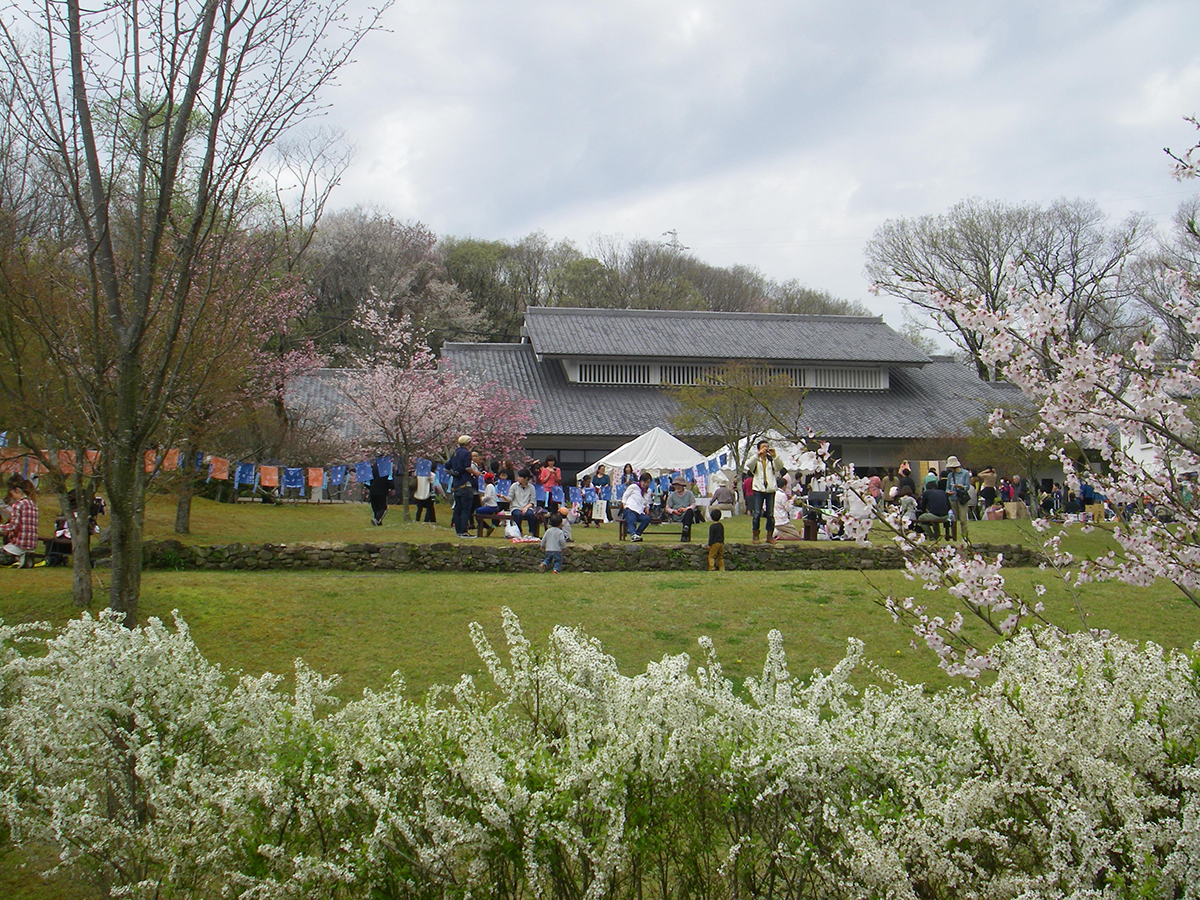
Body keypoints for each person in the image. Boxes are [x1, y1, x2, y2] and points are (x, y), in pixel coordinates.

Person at [747, 440, 786, 543]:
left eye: (767, 447)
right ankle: (755, 536)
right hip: (758, 489)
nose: (765, 449)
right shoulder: (756, 461)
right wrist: (758, 455)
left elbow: (780, 467)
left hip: (770, 489)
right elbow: (749, 464)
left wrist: (774, 456)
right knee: (757, 513)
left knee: (770, 514)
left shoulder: (771, 461)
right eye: (763, 447)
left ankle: (769, 536)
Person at [0, 477, 38, 566]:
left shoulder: (18, 505)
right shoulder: (32, 504)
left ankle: (17, 558)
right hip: (31, 544)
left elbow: (13, 526)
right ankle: (23, 557)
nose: (12, 497)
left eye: (12, 494)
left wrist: (1, 527)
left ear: (17, 490)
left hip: (19, 544)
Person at [447, 435, 480, 539]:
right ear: (468, 443)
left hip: (456, 483)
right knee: (466, 509)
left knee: (458, 508)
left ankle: (458, 531)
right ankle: (463, 531)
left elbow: (447, 465)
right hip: (465, 483)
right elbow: (467, 467)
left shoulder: (455, 452)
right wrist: (476, 473)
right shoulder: (466, 453)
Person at [944, 455, 972, 541]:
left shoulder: (965, 473)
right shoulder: (950, 475)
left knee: (963, 519)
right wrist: (948, 492)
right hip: (952, 498)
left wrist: (961, 487)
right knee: (953, 520)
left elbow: (967, 486)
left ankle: (965, 537)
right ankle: (954, 537)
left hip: (961, 498)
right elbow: (947, 487)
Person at [663, 475, 698, 541]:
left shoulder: (689, 494)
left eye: (679, 485)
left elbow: (693, 505)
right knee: (687, 514)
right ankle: (685, 532)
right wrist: (673, 511)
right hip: (676, 514)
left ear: (683, 485)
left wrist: (685, 509)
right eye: (676, 485)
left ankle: (686, 529)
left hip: (686, 513)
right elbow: (667, 507)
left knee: (690, 512)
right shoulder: (672, 495)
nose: (677, 487)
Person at [508, 469, 540, 536]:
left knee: (530, 514)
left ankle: (531, 532)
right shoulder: (514, 486)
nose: (518, 478)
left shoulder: (531, 487)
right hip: (516, 507)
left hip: (528, 507)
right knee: (517, 514)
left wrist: (526, 508)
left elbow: (533, 501)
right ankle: (519, 532)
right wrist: (503, 497)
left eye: (520, 477)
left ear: (526, 478)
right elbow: (509, 498)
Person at [622, 471, 653, 541]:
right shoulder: (634, 487)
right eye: (644, 482)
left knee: (647, 519)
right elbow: (625, 496)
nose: (645, 484)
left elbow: (647, 501)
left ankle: (637, 534)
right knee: (631, 519)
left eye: (648, 483)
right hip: (630, 508)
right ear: (641, 481)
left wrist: (647, 507)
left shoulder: (648, 491)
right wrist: (624, 506)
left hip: (639, 511)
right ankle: (633, 534)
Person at [770, 475, 802, 542]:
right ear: (784, 486)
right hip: (782, 521)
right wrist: (792, 500)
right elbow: (788, 508)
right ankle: (778, 534)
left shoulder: (772, 493)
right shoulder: (782, 495)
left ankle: (776, 532)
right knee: (796, 536)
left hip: (773, 520)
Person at [367, 460, 393, 527]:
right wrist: (392, 487)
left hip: (373, 490)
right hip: (382, 490)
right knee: (383, 507)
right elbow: (389, 479)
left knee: (375, 508)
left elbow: (367, 481)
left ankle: (378, 523)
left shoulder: (372, 468)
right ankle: (377, 519)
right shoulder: (386, 468)